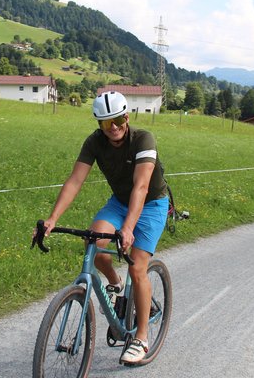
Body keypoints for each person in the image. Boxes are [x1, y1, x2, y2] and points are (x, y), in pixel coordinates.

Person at [37, 91, 169, 365]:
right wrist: (52, 219)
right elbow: (75, 181)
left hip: (151, 204)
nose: (114, 128)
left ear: (127, 117)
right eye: (106, 123)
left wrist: (129, 228)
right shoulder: (95, 143)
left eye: (118, 120)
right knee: (93, 245)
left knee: (137, 266)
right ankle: (114, 283)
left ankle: (141, 337)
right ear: (99, 124)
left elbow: (141, 187)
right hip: (120, 203)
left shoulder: (143, 139)